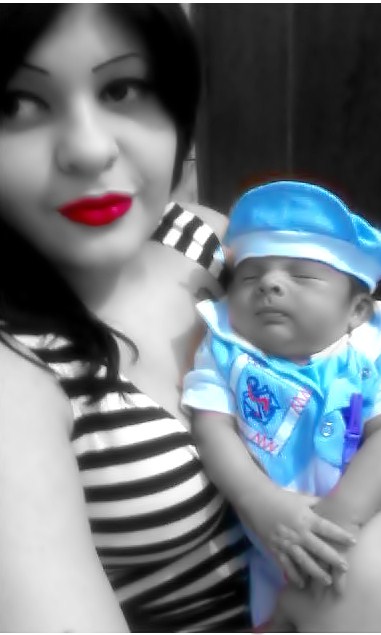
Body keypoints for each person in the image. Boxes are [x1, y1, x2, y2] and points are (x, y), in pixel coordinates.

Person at [0, 4, 251, 632]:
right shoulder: (17, 364)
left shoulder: (206, 240)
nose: (88, 150)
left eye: (121, 89)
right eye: (16, 104)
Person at [182, 180, 381, 627]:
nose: (269, 284)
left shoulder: (373, 351)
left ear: (357, 310)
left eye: (302, 275)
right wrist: (259, 500)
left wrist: (341, 519)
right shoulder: (225, 349)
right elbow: (211, 428)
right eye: (250, 276)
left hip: (370, 529)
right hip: (277, 545)